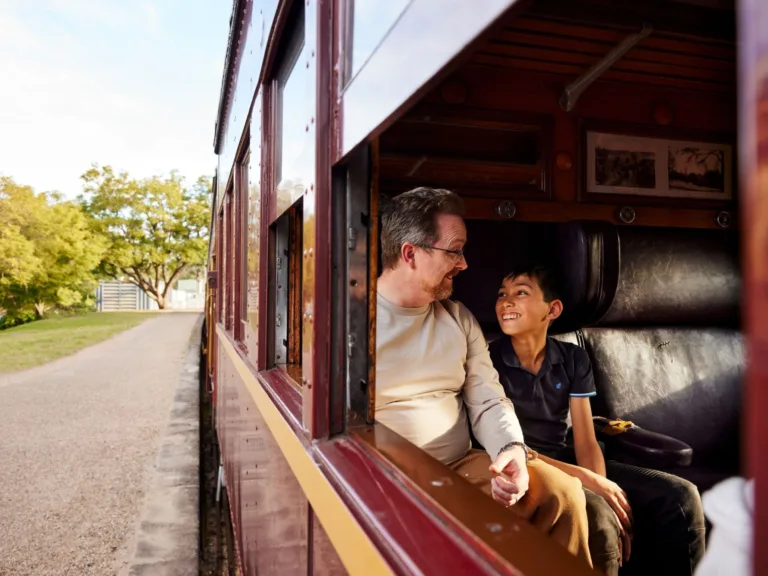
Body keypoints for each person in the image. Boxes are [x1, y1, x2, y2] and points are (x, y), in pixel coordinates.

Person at [375, 187, 592, 566]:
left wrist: (510, 451)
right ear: (410, 253)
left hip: (461, 467)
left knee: (563, 494)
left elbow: (489, 399)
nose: (464, 264)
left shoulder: (458, 318)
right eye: (454, 250)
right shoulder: (353, 320)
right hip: (385, 479)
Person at [489, 263, 707, 576]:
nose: (505, 302)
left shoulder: (572, 357)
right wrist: (591, 488)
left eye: (520, 293)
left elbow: (586, 438)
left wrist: (604, 486)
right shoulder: (489, 361)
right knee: (599, 516)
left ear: (552, 310)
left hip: (566, 456)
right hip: (525, 464)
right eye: (501, 295)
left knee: (680, 497)